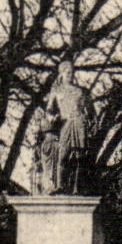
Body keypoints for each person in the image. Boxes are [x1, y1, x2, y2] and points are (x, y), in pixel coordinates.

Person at [43, 61, 94, 194]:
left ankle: (78, 187)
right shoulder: (56, 90)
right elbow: (49, 109)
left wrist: (90, 121)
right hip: (66, 123)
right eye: (68, 72)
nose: (70, 75)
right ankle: (60, 185)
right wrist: (51, 117)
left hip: (79, 123)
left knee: (80, 155)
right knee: (63, 154)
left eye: (72, 72)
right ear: (62, 73)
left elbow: (91, 111)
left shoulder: (80, 91)